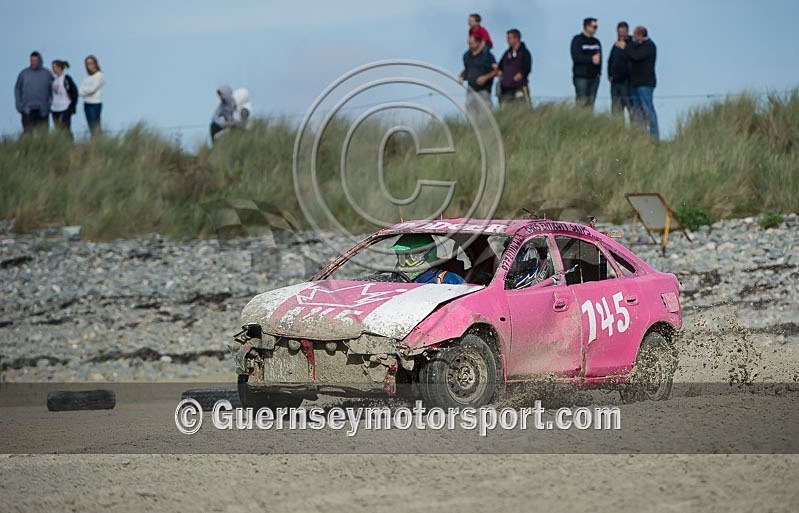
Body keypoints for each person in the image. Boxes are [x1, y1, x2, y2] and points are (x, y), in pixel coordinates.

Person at [391, 233, 465, 284]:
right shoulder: (397, 279)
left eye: (412, 257)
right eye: (401, 256)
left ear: (429, 254)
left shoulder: (448, 280)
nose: (405, 263)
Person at [628, 26, 659, 140]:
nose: (633, 38)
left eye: (635, 35)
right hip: (635, 83)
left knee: (648, 109)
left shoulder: (649, 46)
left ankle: (654, 136)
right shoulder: (638, 46)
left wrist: (627, 46)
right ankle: (640, 136)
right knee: (637, 111)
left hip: (645, 83)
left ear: (641, 35)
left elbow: (635, 56)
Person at [14, 51, 53, 133]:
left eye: (35, 60)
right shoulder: (24, 73)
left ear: (40, 60)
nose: (34, 62)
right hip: (27, 109)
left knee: (43, 134)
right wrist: (19, 104)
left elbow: (54, 88)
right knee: (28, 133)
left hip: (43, 109)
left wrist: (50, 104)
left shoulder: (46, 73)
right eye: (32, 60)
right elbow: (17, 88)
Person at [459, 34, 498, 116]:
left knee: (485, 115)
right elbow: (467, 69)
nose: (470, 46)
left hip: (484, 91)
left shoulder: (487, 56)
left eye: (472, 43)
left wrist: (485, 77)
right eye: (469, 43)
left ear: (478, 43)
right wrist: (462, 76)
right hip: (470, 90)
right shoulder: (467, 56)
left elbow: (497, 71)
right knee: (470, 116)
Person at [570, 17, 602, 108]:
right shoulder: (577, 40)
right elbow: (576, 57)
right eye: (594, 27)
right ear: (587, 27)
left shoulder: (596, 42)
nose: (596, 29)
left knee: (591, 104)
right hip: (581, 76)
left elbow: (600, 58)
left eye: (596, 27)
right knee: (581, 102)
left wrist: (599, 73)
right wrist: (591, 59)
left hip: (594, 77)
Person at [497, 28, 533, 107]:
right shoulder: (507, 53)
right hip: (506, 89)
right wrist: (500, 72)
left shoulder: (524, 53)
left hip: (519, 87)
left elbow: (527, 67)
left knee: (523, 108)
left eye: (509, 38)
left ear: (516, 38)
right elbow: (500, 66)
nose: (507, 40)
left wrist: (521, 74)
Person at [607, 21, 633, 118]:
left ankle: (634, 130)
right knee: (616, 109)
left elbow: (633, 59)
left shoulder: (631, 44)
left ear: (627, 32)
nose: (621, 34)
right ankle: (618, 130)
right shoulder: (615, 45)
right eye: (619, 32)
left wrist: (625, 48)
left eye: (623, 32)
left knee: (630, 108)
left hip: (626, 82)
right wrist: (609, 74)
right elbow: (610, 60)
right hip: (615, 81)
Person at [50, 60, 79, 139]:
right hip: (55, 108)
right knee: (58, 129)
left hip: (65, 107)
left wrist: (72, 106)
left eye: (54, 67)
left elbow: (74, 92)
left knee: (65, 128)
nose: (53, 69)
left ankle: (69, 144)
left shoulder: (66, 79)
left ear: (59, 67)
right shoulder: (54, 80)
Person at [79, 55, 104, 136]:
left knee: (95, 126)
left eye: (91, 63)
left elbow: (92, 89)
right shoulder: (86, 77)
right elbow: (79, 91)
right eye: (88, 64)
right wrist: (85, 91)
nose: (90, 66)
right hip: (87, 103)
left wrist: (85, 91)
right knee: (90, 126)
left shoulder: (99, 75)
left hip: (95, 103)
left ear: (95, 64)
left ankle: (99, 143)